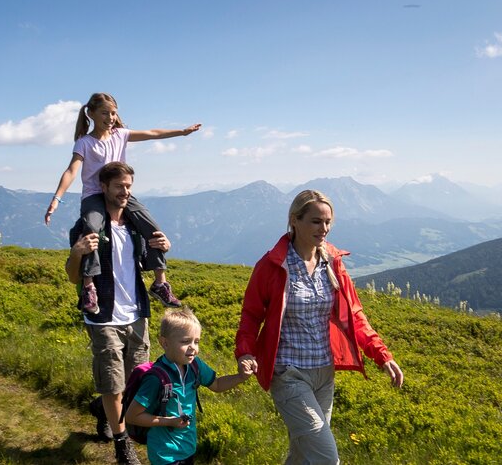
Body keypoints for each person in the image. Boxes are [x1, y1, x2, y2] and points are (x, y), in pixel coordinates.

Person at [234, 189, 404, 465]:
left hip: (324, 374)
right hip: (288, 374)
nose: (324, 229)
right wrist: (245, 352)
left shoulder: (332, 263)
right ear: (294, 220)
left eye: (327, 222)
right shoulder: (272, 265)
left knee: (303, 455)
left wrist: (382, 355)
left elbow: (355, 316)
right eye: (316, 221)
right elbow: (251, 316)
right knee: (326, 457)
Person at [50, 92, 202, 314]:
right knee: (92, 231)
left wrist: (182, 132)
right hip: (94, 195)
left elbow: (152, 133)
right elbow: (72, 170)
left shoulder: (120, 135)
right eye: (105, 113)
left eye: (113, 113)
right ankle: (89, 287)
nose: (111, 117)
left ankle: (160, 282)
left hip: (119, 192)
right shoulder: (84, 143)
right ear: (91, 114)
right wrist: (57, 198)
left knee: (152, 227)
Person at [65, 161, 172, 465]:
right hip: (102, 315)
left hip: (137, 314)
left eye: (129, 187)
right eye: (119, 187)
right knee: (113, 384)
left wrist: (166, 245)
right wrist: (77, 252)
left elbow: (150, 258)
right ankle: (123, 446)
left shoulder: (137, 228)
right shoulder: (86, 227)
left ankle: (102, 409)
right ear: (104, 188)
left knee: (133, 383)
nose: (125, 192)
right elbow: (73, 276)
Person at [126, 307, 254, 465]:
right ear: (164, 343)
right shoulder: (156, 379)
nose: (193, 347)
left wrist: (240, 377)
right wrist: (169, 421)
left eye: (196, 341)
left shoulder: (195, 367)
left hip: (188, 448)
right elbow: (132, 416)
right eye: (186, 341)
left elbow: (217, 384)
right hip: (164, 453)